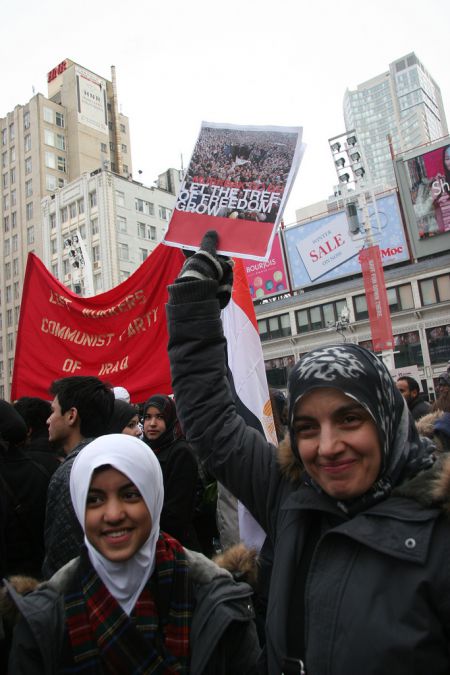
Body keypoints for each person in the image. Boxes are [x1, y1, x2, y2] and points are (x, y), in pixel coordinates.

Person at [165, 230, 450, 674]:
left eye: (350, 420)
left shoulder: (440, 527)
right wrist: (194, 306)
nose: (328, 447)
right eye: (307, 427)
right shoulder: (288, 492)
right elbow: (211, 419)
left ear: (388, 420)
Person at [5, 434, 260, 674]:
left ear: (154, 498)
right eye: (94, 499)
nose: (113, 514)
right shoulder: (41, 619)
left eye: (129, 495)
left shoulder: (222, 603)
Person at [42, 376, 115, 578]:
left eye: (53, 411)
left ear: (71, 415)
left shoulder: (70, 473)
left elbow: (61, 558)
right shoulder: (114, 462)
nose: (48, 420)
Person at [142, 394, 200, 549]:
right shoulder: (143, 449)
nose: (152, 423)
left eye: (159, 417)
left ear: (170, 419)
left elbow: (177, 513)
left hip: (174, 545)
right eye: (148, 417)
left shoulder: (181, 452)